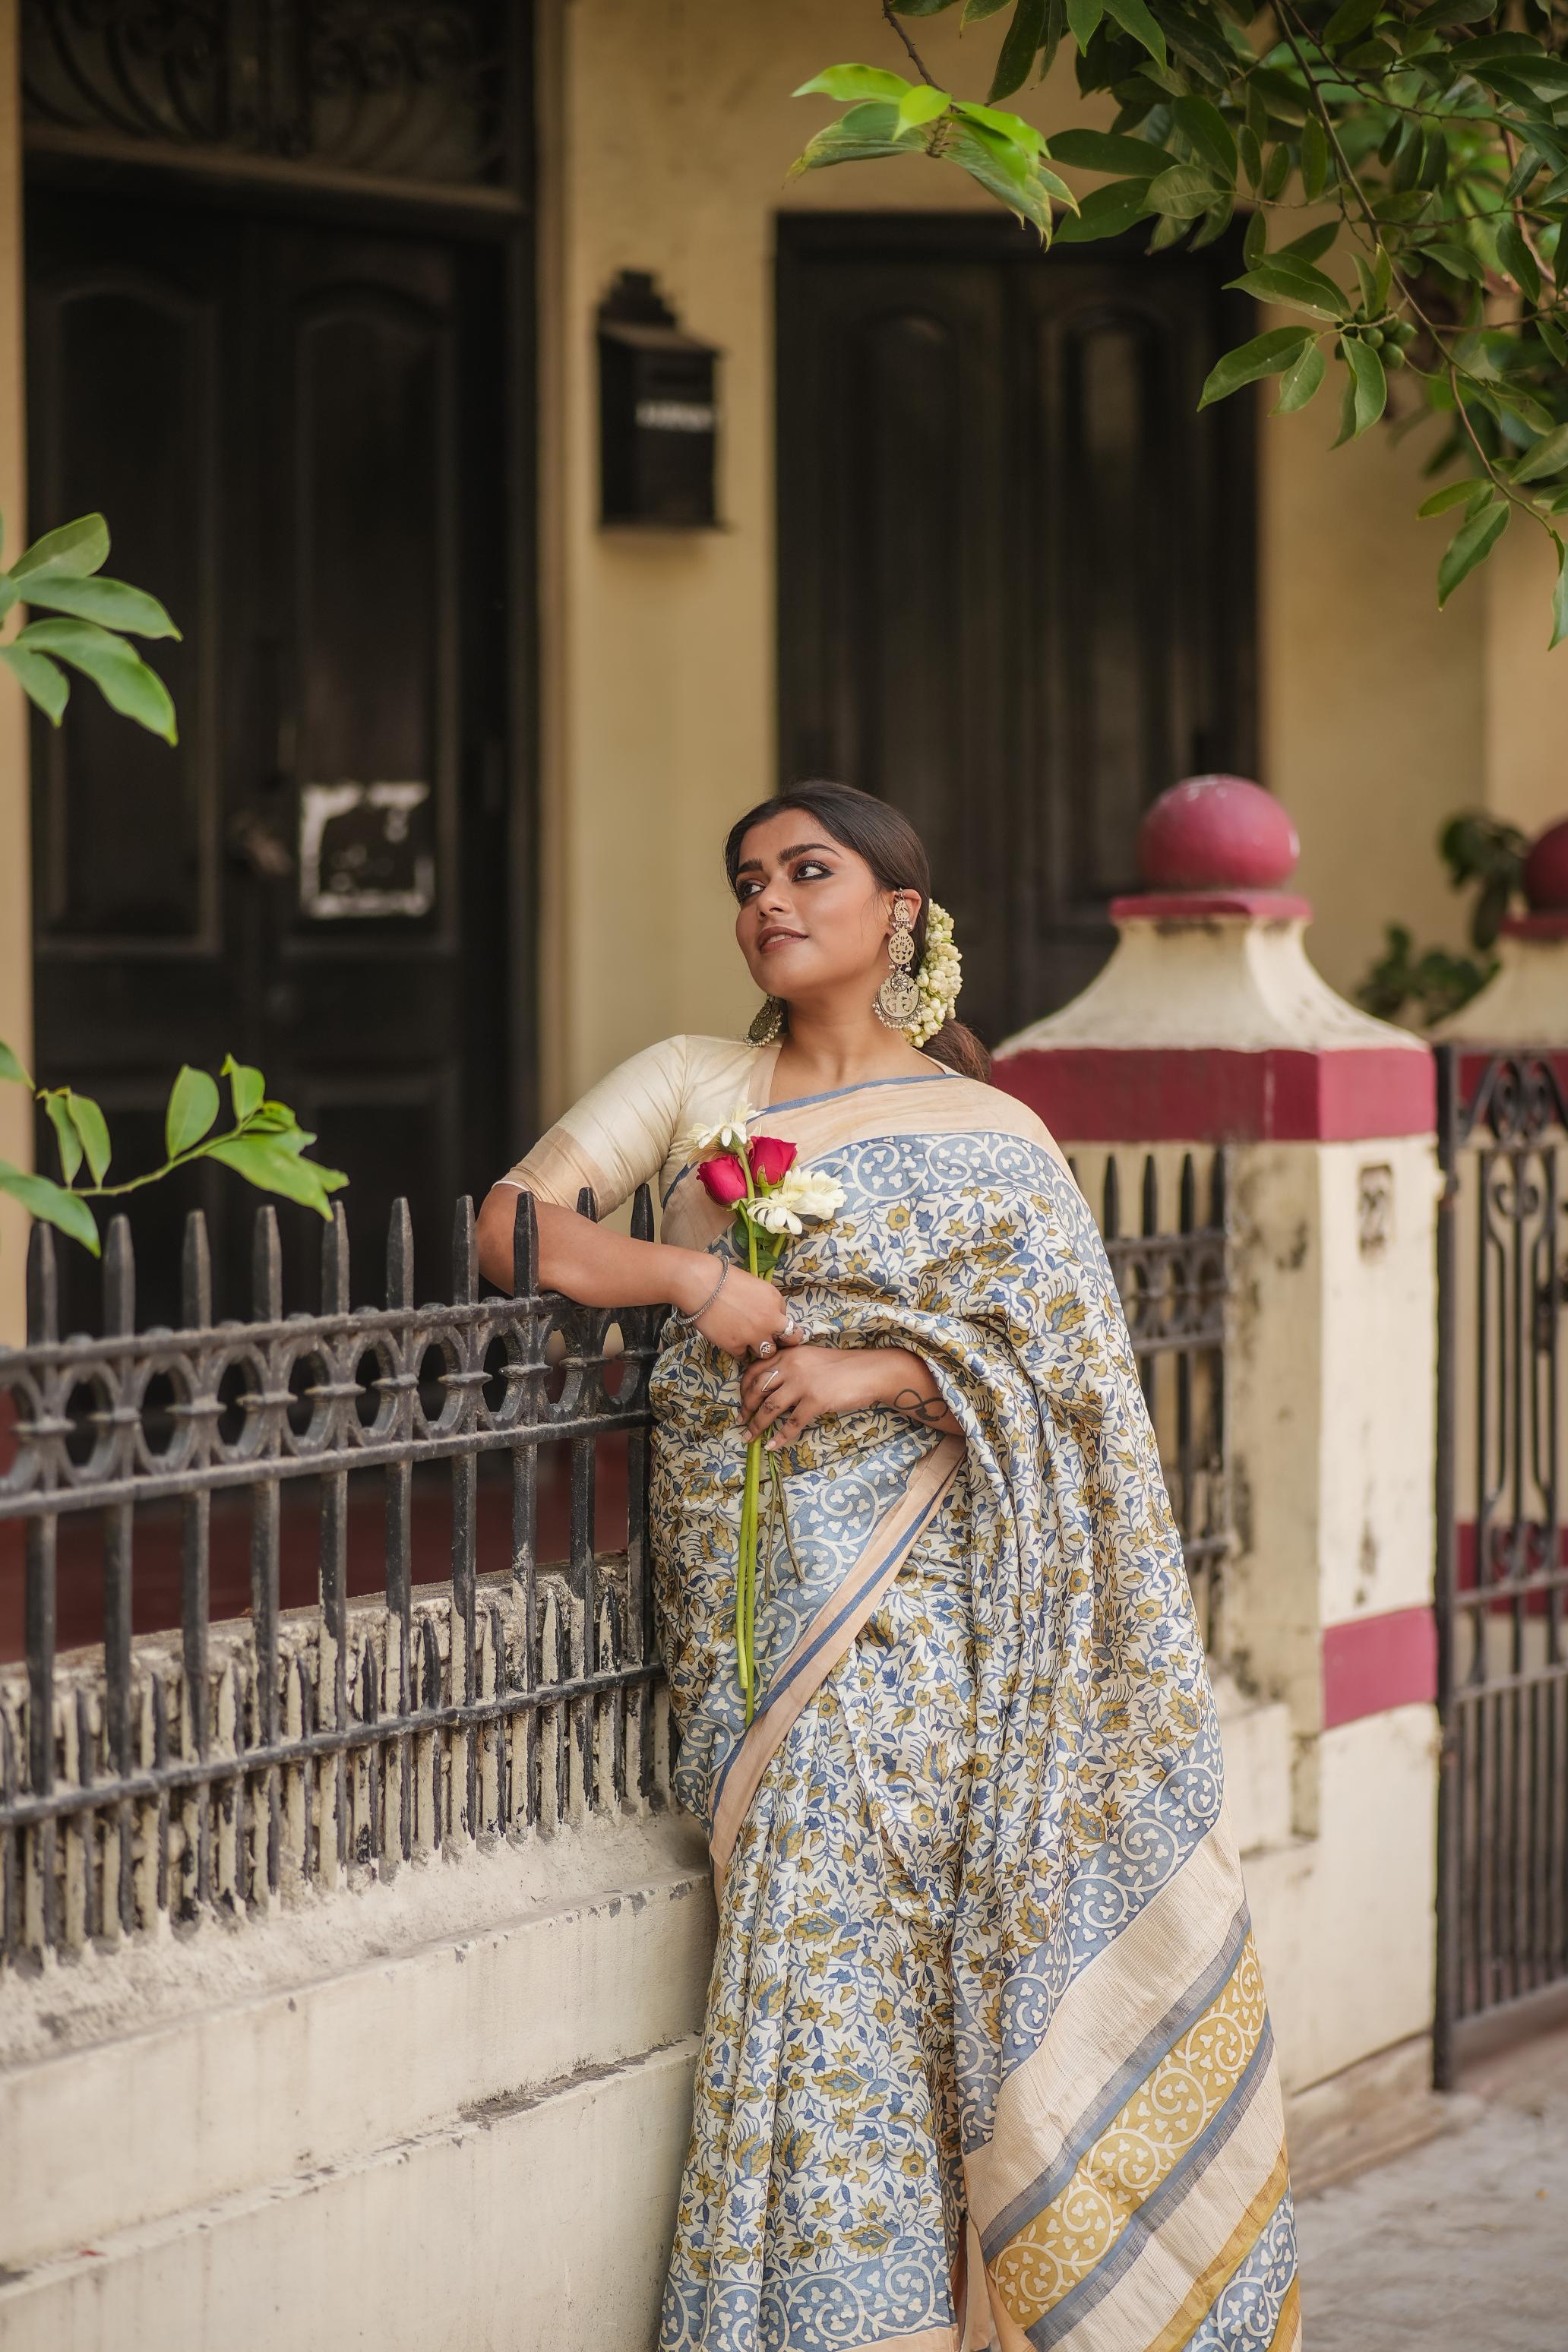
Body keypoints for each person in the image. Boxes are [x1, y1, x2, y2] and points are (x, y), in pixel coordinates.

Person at [476, 780, 1299, 2352]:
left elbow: (1072, 1383)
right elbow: (514, 1225)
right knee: (819, 1935)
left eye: (808, 871)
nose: (769, 901)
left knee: (922, 1954)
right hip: (758, 1605)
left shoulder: (999, 1133)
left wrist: (881, 1371)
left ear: (898, 915)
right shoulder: (699, 1083)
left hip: (947, 1618)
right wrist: (690, 1280)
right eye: (747, 879)